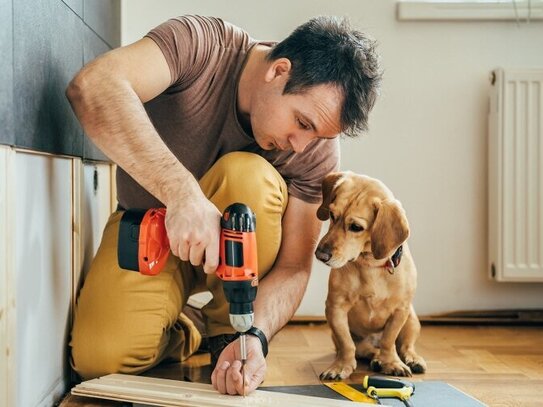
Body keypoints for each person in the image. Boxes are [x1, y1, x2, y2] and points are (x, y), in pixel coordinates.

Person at [66, 14, 381, 396]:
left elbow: (295, 266)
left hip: (239, 273)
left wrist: (258, 336)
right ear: (279, 71)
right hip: (149, 227)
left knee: (247, 175)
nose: (301, 144)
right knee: (100, 360)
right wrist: (183, 195)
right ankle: (189, 327)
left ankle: (229, 332)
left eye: (317, 135)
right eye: (301, 122)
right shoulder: (200, 45)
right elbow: (93, 86)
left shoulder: (315, 150)